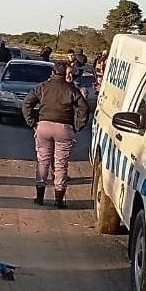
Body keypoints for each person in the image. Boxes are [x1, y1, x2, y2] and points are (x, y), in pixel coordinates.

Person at [22, 61, 90, 209]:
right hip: (64, 129)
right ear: (65, 73)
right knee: (61, 164)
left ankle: (39, 197)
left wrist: (32, 122)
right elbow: (84, 108)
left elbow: (26, 103)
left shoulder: (42, 87)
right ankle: (59, 199)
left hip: (43, 127)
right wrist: (77, 126)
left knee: (43, 161)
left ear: (52, 72)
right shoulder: (71, 89)